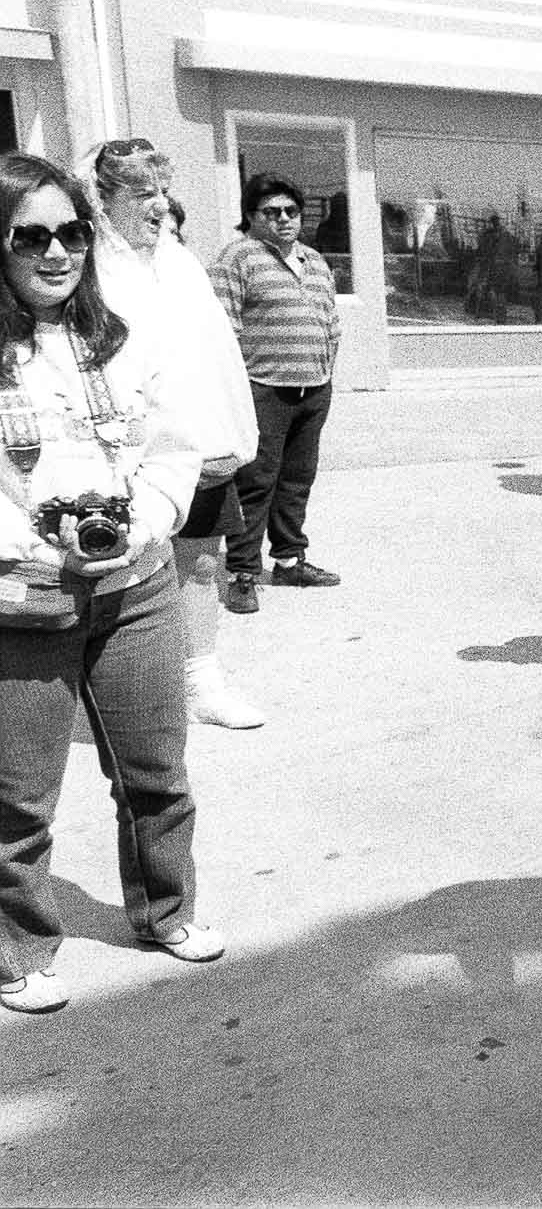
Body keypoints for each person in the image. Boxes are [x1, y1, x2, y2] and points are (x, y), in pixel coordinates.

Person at [0, 152, 224, 1015]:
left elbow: (175, 446)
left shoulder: (121, 334)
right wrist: (34, 540)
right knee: (19, 797)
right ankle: (20, 945)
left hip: (137, 584)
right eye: (31, 236)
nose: (56, 253)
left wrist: (148, 518)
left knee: (156, 772)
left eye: (72, 232)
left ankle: (166, 911)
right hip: (23, 599)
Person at [83, 140, 263, 729]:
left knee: (202, 563)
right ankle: (123, 693)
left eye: (162, 191)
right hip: (124, 453)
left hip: (198, 444)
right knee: (124, 568)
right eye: (141, 194)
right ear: (102, 200)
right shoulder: (87, 269)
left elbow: (216, 354)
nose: (159, 206)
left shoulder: (180, 262)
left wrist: (228, 434)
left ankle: (201, 681)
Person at [210, 172, 342, 614]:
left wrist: (325, 373)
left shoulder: (316, 260)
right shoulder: (237, 258)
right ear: (251, 216)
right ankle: (243, 574)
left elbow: (330, 324)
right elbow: (222, 331)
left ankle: (289, 561)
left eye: (291, 211)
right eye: (272, 212)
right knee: (255, 484)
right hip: (263, 390)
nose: (284, 219)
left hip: (313, 389)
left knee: (297, 481)